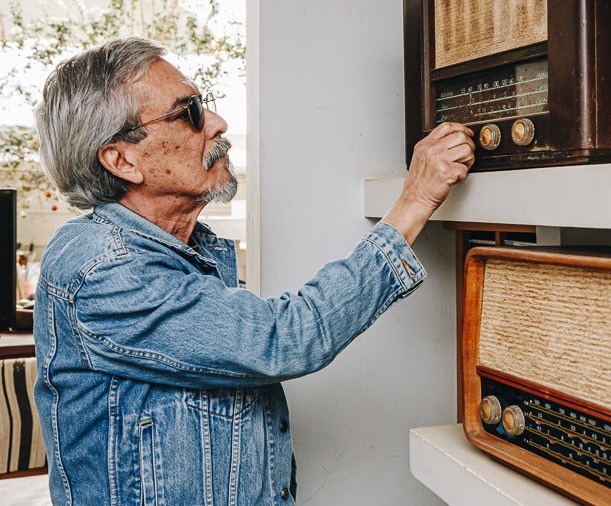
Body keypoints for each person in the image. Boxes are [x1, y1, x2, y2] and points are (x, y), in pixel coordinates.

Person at [32, 37, 475, 506]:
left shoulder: (182, 250)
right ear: (122, 160)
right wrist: (416, 200)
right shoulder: (103, 269)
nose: (218, 123)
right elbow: (281, 338)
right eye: (190, 112)